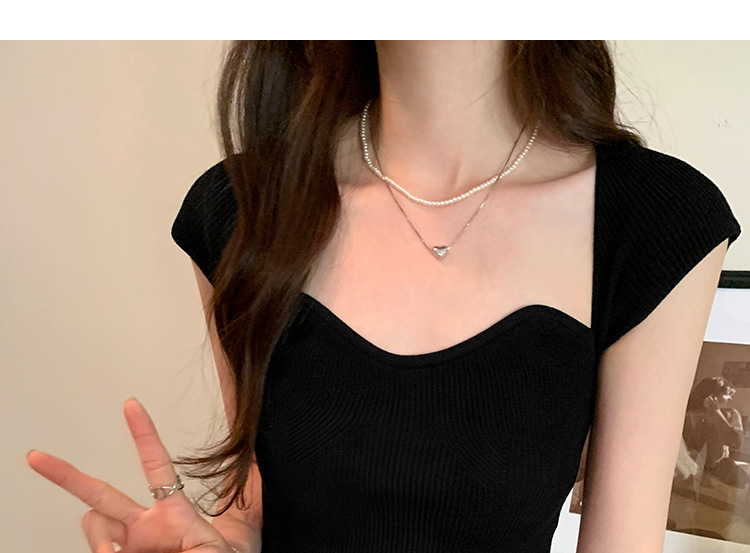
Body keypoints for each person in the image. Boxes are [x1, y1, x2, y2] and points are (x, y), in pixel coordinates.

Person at [26, 41, 742, 553]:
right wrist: (220, 541)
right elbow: (259, 498)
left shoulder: (652, 221)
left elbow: (621, 540)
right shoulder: (241, 207)